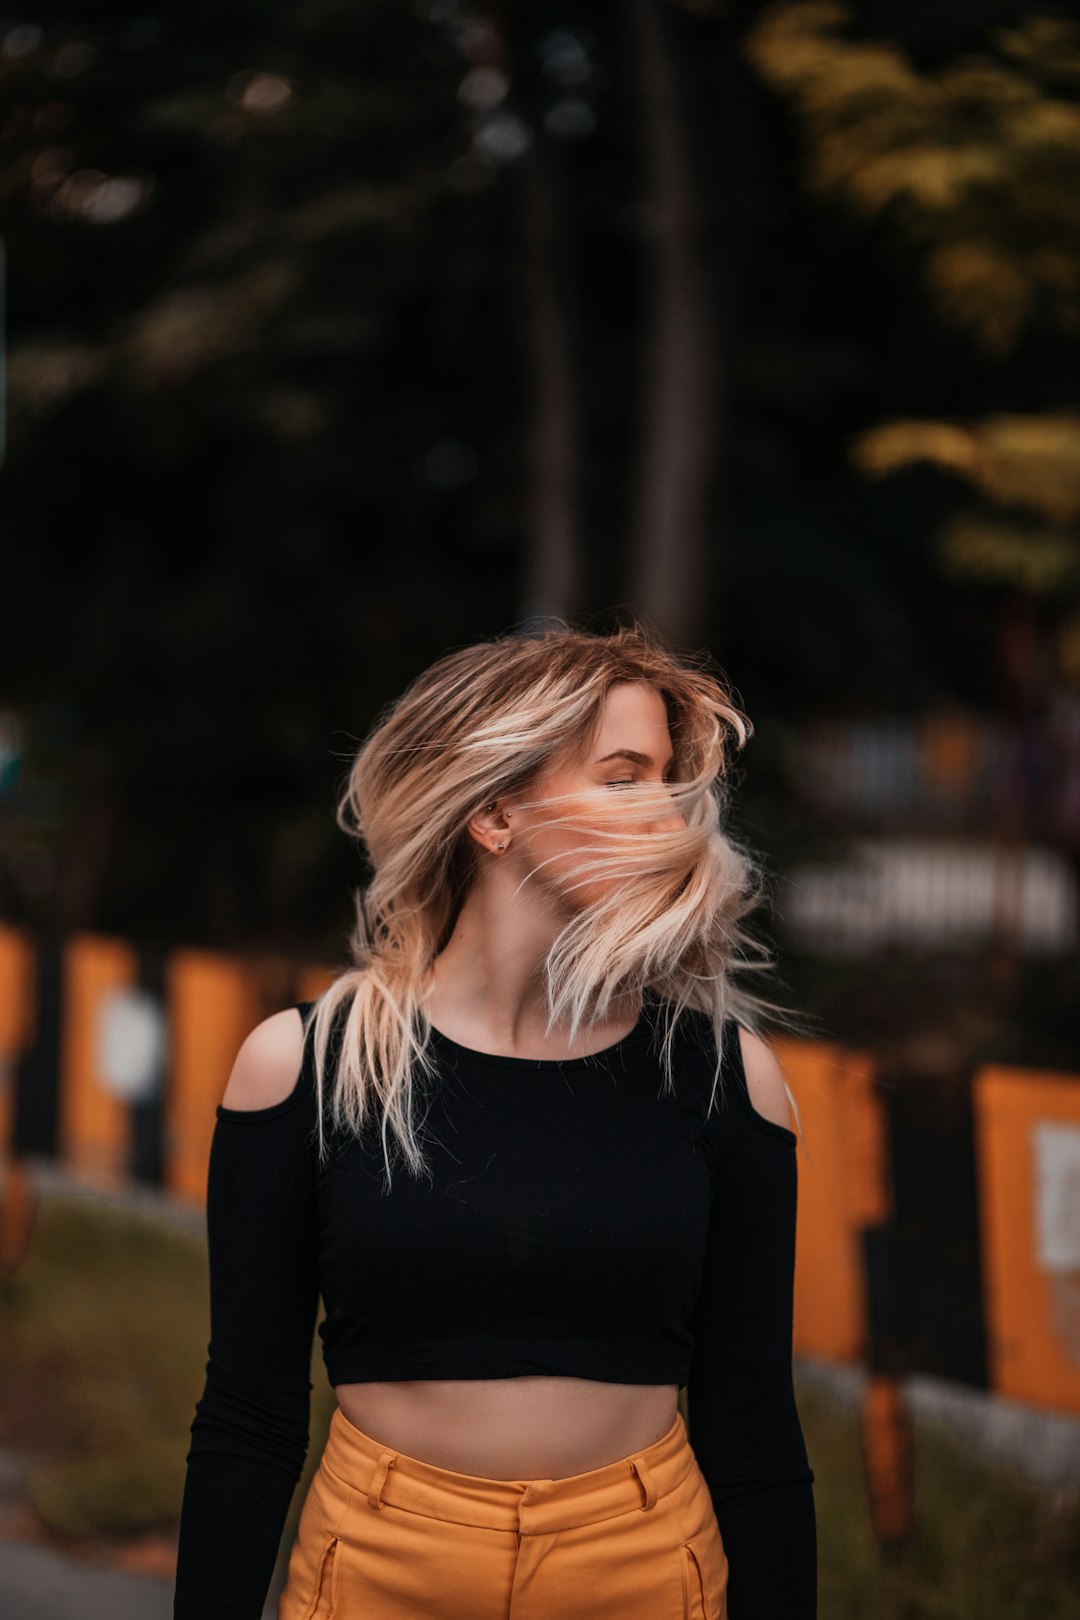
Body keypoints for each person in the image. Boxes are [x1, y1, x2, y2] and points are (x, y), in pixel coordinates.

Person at [173, 622, 816, 1620]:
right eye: (623, 775)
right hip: (376, 1565)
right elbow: (249, 1418)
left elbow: (755, 1426)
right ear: (496, 813)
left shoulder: (731, 1080)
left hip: (645, 1566)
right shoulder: (304, 1066)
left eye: (666, 779)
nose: (669, 813)